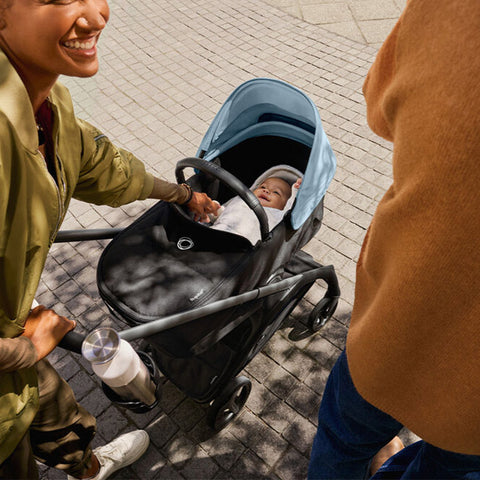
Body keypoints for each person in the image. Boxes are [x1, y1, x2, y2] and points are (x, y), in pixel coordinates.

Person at [0, 0, 219, 479]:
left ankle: (88, 468)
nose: (97, 14)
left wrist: (183, 195)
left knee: (58, 414)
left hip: (15, 337)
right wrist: (21, 350)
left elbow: (101, 164)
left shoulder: (45, 95)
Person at [308, 0, 480, 478]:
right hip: (474, 409)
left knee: (343, 441)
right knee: (445, 468)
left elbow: (378, 105)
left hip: (396, 326)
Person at [211, 173, 301, 244]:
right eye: (263, 187)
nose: (266, 191)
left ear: (283, 206)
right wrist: (213, 208)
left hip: (241, 246)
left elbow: (290, 208)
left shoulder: (277, 214)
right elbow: (220, 213)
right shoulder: (241, 200)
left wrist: (296, 190)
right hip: (215, 231)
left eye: (276, 192)